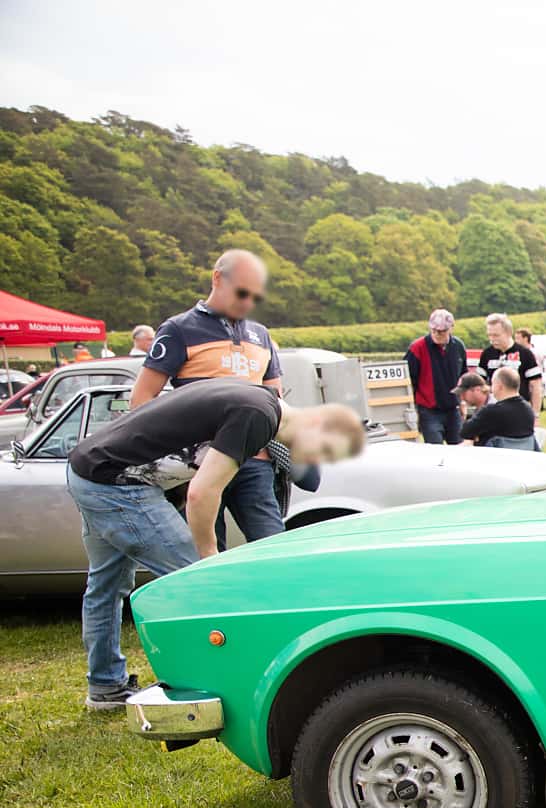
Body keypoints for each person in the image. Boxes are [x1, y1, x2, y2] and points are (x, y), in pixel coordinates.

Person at [65, 381, 363, 709]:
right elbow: (201, 493)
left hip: (90, 468)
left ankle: (105, 687)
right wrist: (208, 556)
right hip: (116, 484)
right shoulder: (257, 416)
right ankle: (234, 686)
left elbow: (185, 464)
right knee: (202, 584)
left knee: (106, 585)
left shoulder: (260, 402)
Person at [132, 248, 291, 549]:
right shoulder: (178, 329)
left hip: (253, 461)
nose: (248, 302)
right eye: (241, 291)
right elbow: (141, 400)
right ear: (217, 278)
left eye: (255, 295)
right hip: (198, 465)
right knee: (205, 555)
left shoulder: (261, 334)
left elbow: (276, 401)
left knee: (274, 549)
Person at [406, 308, 468, 444]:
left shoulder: (458, 346)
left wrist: (463, 401)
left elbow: (463, 377)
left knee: (460, 449)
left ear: (451, 328)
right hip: (429, 411)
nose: (437, 334)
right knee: (435, 452)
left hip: (453, 409)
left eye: (442, 331)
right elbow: (409, 381)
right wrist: (414, 409)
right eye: (434, 330)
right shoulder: (417, 348)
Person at [476, 315, 543, 414]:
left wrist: (535, 414)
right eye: (489, 335)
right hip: (494, 410)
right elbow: (479, 384)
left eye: (496, 335)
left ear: (509, 333)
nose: (492, 339)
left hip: (520, 410)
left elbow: (535, 385)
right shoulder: (487, 354)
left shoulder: (525, 354)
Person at [460, 368, 540, 450]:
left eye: (492, 383)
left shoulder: (491, 411)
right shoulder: (528, 410)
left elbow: (465, 432)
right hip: (523, 459)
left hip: (496, 459)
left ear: (499, 386)